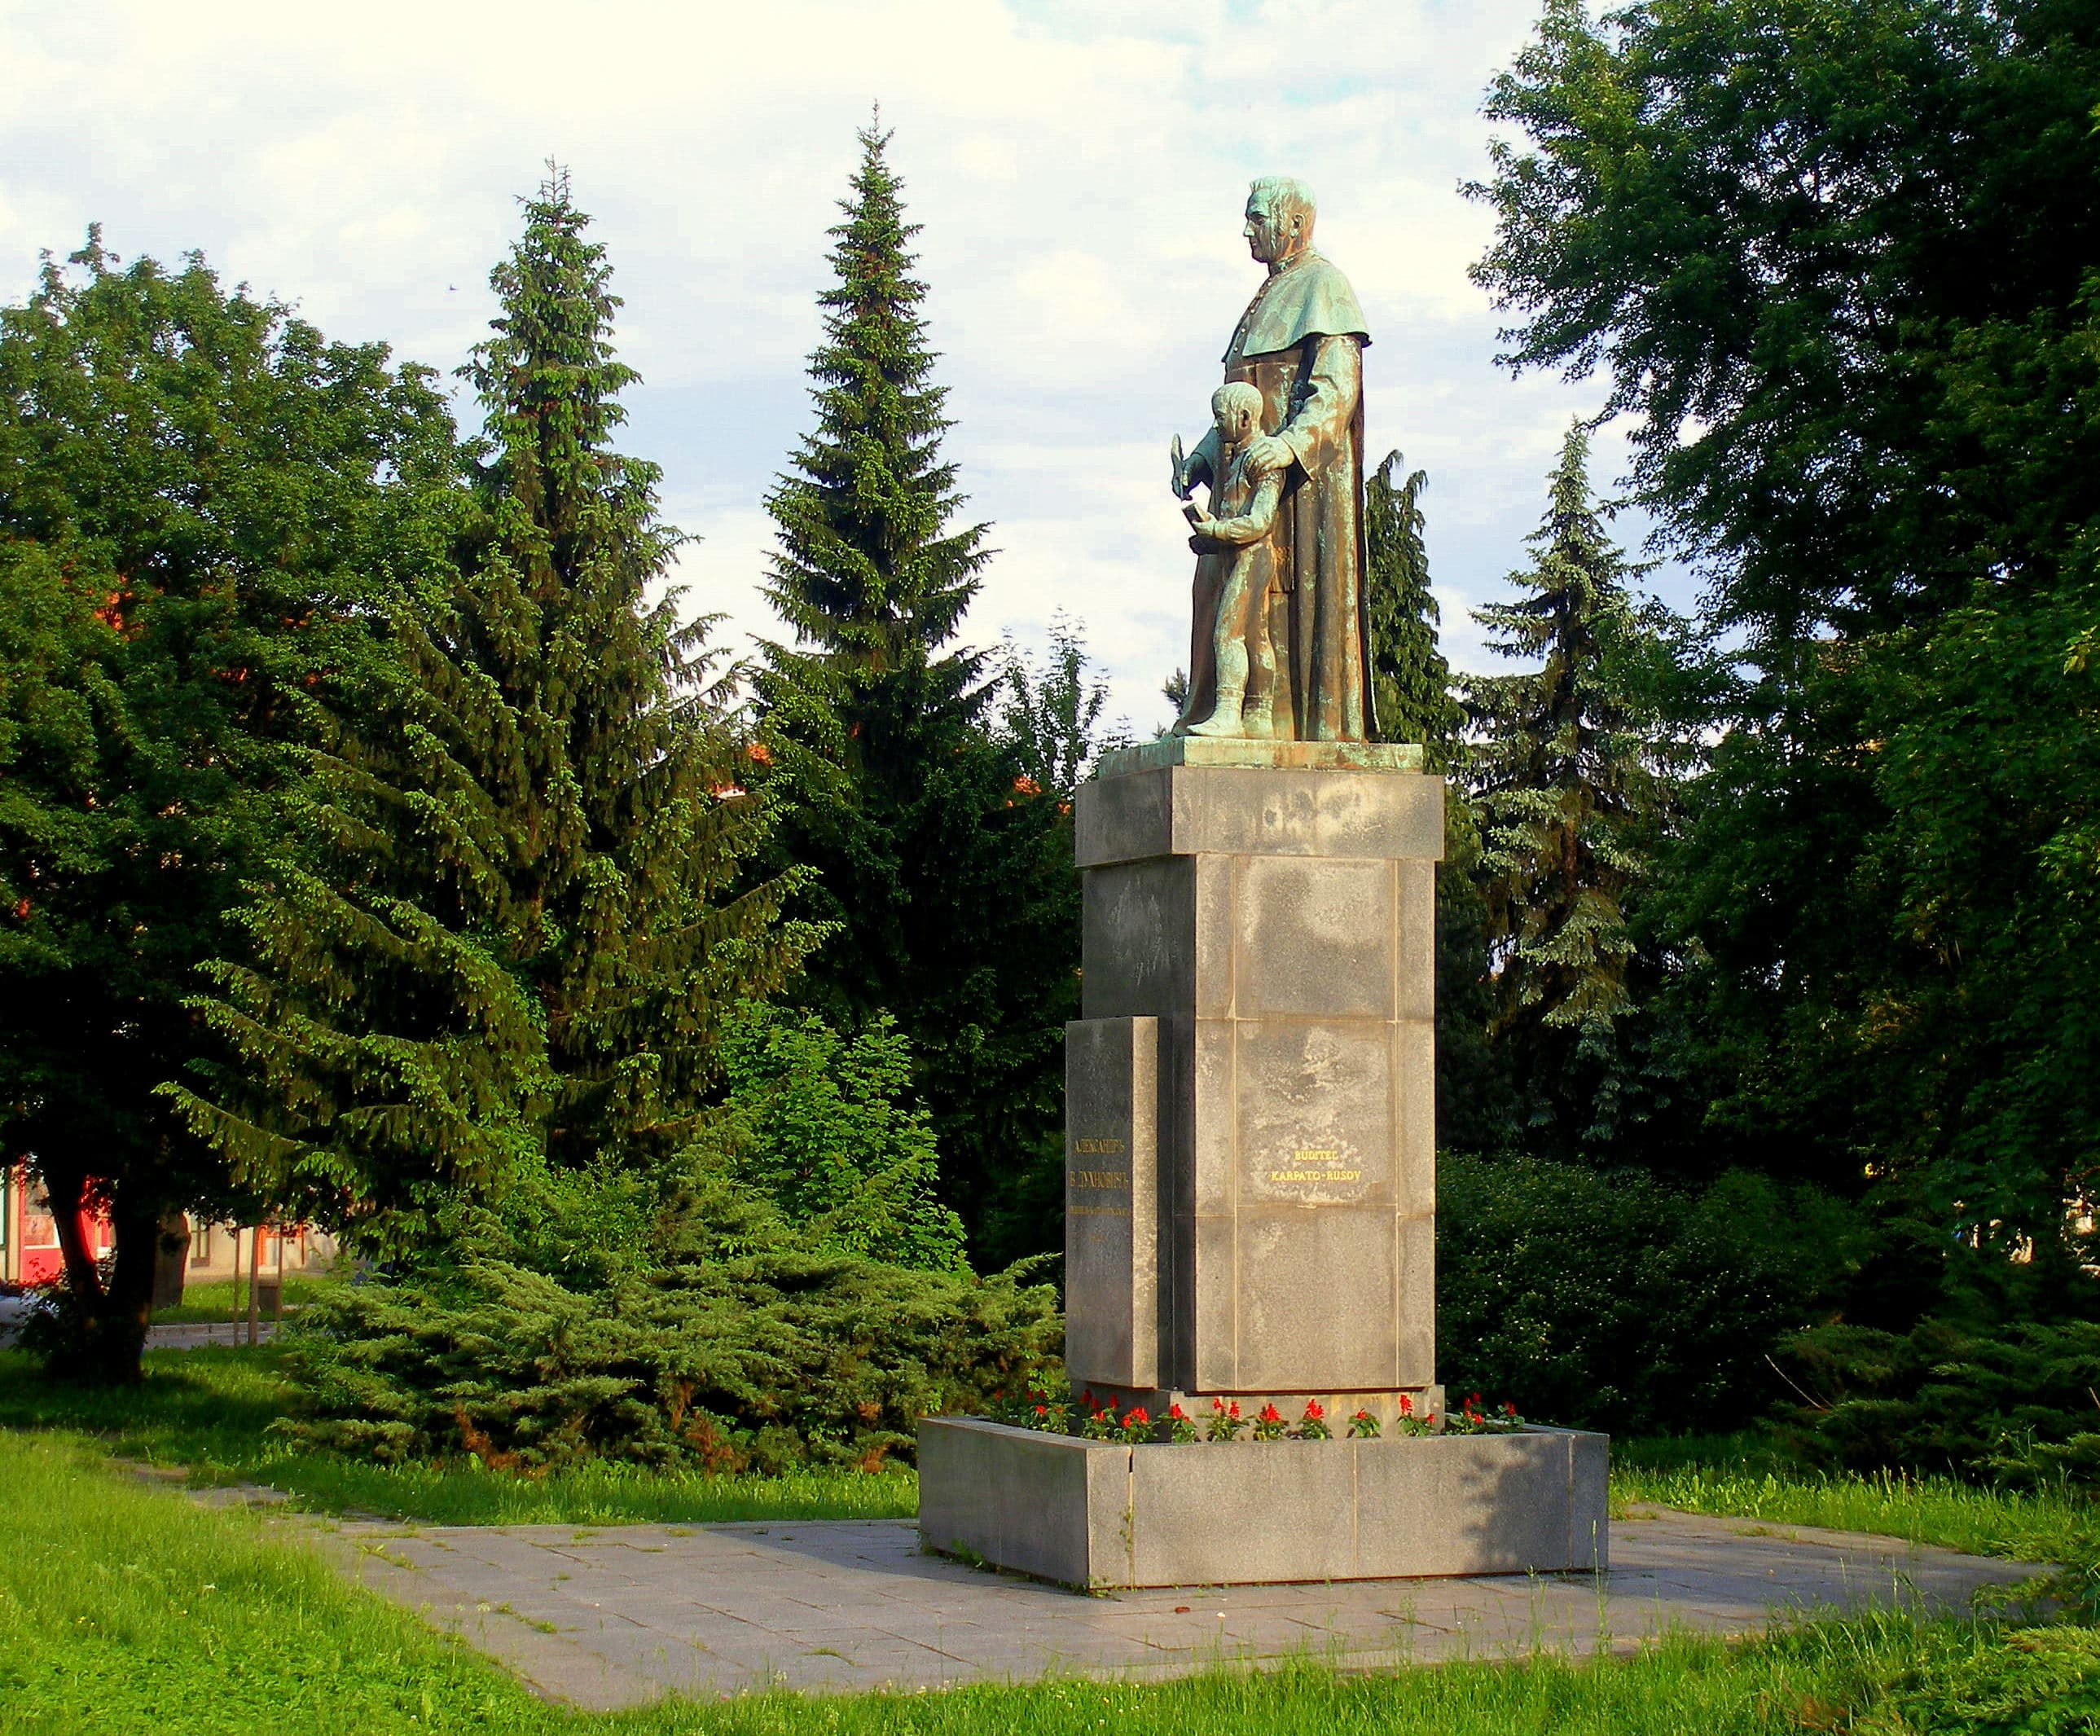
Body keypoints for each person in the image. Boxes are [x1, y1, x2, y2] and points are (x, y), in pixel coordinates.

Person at [1171, 177, 1373, 741]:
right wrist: (1204, 459)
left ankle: (1268, 721)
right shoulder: (1266, 296)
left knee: (1261, 616)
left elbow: (1335, 390)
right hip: (1239, 488)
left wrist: (1288, 445)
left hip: (1297, 491)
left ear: (1294, 225)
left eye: (1256, 218)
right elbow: (1244, 401)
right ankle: (1215, 713)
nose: (1246, 230)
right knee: (1216, 602)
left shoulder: (1323, 286)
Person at [1176, 382, 1283, 737]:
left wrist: (1218, 531)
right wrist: (1208, 539)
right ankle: (1259, 715)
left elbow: (1260, 521)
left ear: (1245, 417)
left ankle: (1229, 714)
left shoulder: (1262, 459)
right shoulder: (1234, 457)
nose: (1217, 426)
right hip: (1234, 554)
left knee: (1228, 634)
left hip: (1252, 557)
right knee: (1255, 637)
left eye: (1220, 418)